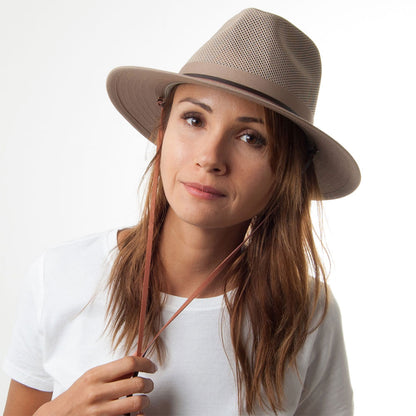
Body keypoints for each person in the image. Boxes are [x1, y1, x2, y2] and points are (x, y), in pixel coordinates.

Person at [3, 8, 360, 416]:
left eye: (251, 137)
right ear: (162, 129)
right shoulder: (61, 276)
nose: (210, 157)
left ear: (288, 172)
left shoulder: (308, 315)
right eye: (194, 119)